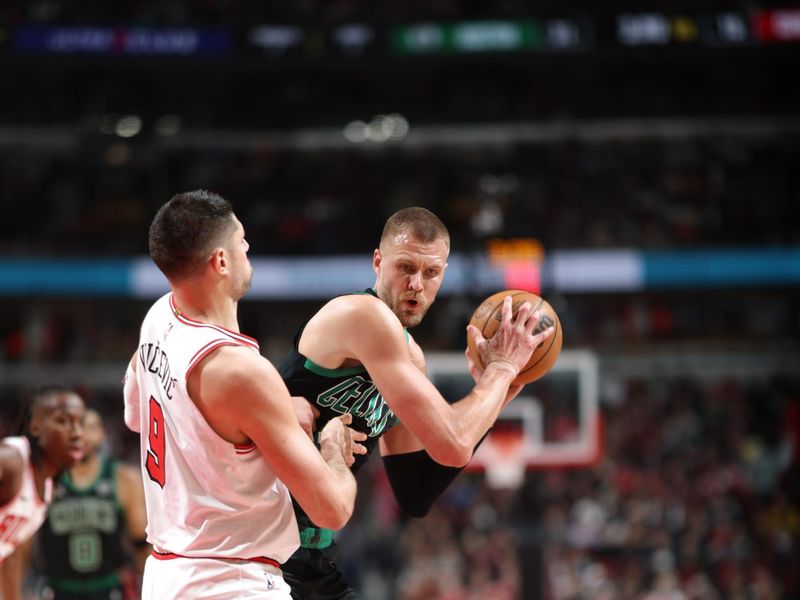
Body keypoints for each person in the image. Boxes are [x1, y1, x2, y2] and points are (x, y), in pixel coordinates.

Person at [278, 206, 553, 599]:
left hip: (311, 557)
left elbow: (416, 492)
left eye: (431, 272)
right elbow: (453, 442)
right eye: (405, 267)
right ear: (378, 261)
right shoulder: (361, 314)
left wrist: (492, 396)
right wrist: (503, 369)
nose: (416, 284)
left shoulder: (411, 359)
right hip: (262, 546)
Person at [122, 189, 363, 599]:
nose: (247, 250)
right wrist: (333, 453)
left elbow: (135, 414)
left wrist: (254, 417)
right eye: (242, 242)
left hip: (166, 577)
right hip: (232, 582)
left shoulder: (159, 316)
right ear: (220, 261)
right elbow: (332, 510)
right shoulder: (242, 372)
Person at [38, 408, 149, 600]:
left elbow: (141, 543)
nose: (82, 435)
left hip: (110, 588)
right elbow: (23, 546)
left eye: (90, 427)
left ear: (103, 433)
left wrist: (149, 590)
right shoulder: (44, 479)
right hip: (58, 589)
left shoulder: (124, 478)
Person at [0, 384, 86, 600]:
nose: (76, 432)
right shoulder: (10, 461)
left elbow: (9, 554)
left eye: (80, 422)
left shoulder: (47, 488)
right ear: (35, 427)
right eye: (63, 421)